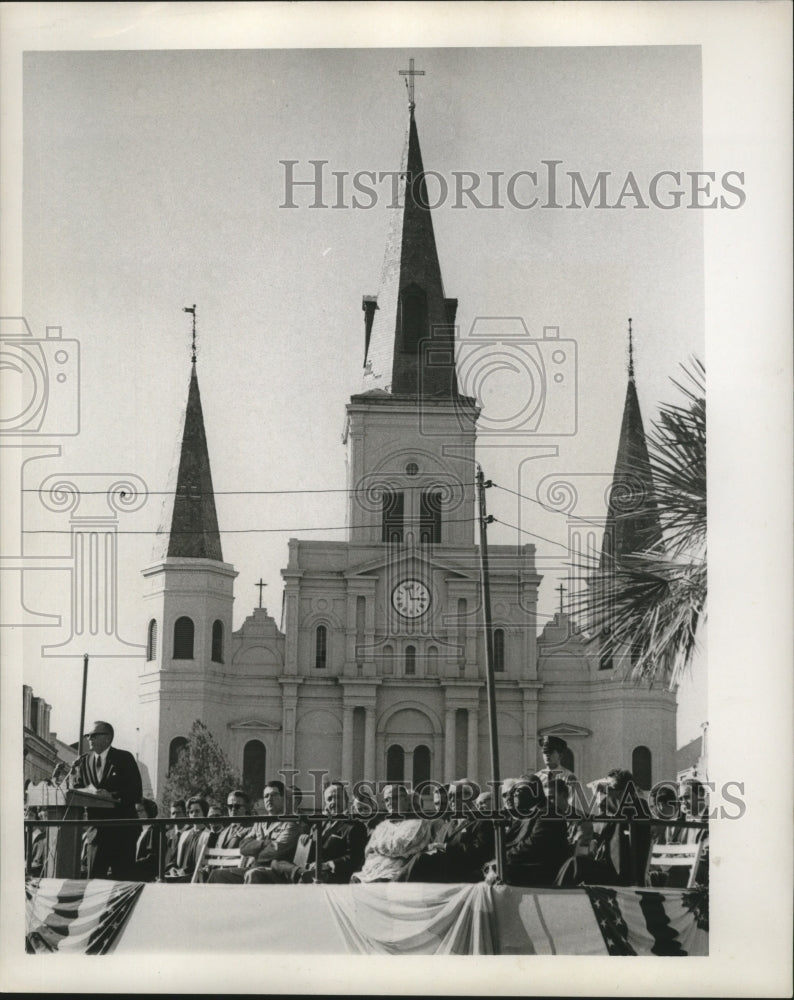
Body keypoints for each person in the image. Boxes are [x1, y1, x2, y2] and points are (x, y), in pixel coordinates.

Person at [68, 720, 143, 880]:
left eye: (94, 735)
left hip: (122, 831)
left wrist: (113, 796)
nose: (89, 739)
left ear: (108, 738)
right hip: (97, 833)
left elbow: (135, 792)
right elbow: (78, 788)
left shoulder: (124, 758)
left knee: (122, 884)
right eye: (88, 735)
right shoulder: (84, 761)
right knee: (95, 883)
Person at [262, 781, 368, 884]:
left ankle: (302, 876)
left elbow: (354, 858)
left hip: (331, 875)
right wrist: (305, 840)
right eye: (329, 799)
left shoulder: (355, 826)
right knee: (275, 862)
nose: (333, 802)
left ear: (346, 800)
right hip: (311, 868)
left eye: (338, 797)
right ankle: (302, 873)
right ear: (325, 803)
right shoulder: (320, 824)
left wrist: (327, 865)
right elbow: (308, 850)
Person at [208, 780, 300, 884]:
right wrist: (265, 843)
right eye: (266, 796)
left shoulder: (290, 824)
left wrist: (256, 853)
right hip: (255, 868)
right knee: (217, 874)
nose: (269, 799)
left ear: (283, 799)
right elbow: (243, 846)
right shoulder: (260, 823)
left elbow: (277, 850)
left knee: (252, 874)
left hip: (277, 873)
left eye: (274, 795)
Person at [491, 776, 572, 886]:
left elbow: (534, 844)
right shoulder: (526, 813)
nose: (514, 794)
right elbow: (509, 839)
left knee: (499, 872)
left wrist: (503, 859)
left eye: (519, 790)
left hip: (543, 869)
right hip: (525, 863)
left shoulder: (550, 813)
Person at [350, 784, 432, 883]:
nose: (390, 802)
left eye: (395, 798)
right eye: (387, 800)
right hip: (369, 873)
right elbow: (367, 851)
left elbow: (400, 847)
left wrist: (377, 846)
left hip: (394, 875)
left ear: (406, 800)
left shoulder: (418, 823)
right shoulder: (382, 826)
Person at [164, 796, 209, 881]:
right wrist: (172, 868)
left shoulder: (208, 835)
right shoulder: (184, 834)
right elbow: (174, 859)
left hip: (196, 877)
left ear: (204, 812)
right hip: (178, 875)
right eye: (191, 812)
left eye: (197, 811)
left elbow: (206, 866)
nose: (194, 814)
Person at [133, 797, 160, 882]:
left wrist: (132, 865)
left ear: (149, 811)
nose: (137, 814)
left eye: (140, 811)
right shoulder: (141, 830)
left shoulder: (154, 830)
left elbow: (152, 857)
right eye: (136, 811)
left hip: (147, 877)